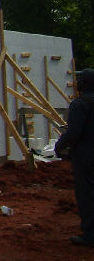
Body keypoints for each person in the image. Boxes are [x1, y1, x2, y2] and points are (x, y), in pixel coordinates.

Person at [55, 68, 94, 247]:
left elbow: (74, 133)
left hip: (86, 158)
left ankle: (90, 234)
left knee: (86, 194)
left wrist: (60, 145)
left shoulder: (80, 104)